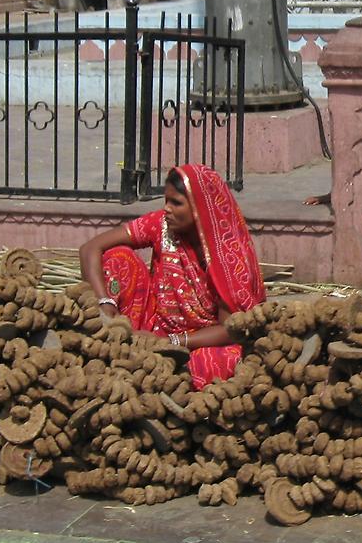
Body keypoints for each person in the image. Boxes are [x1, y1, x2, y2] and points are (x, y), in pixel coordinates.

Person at [79, 164, 265, 389]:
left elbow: (231, 329)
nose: (167, 209)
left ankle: (162, 376)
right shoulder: (161, 224)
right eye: (166, 201)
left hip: (200, 340)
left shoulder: (229, 255)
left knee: (221, 361)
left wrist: (174, 343)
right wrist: (104, 301)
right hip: (151, 327)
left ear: (200, 207)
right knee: (118, 257)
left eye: (176, 203)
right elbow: (91, 248)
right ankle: (117, 343)